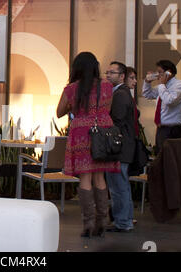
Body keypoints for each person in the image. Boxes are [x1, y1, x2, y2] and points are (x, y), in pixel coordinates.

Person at [56, 52, 120, 238]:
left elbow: (59, 112)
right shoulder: (107, 86)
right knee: (100, 178)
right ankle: (102, 222)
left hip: (82, 133)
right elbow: (106, 109)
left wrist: (73, 106)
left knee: (85, 179)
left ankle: (88, 224)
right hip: (103, 133)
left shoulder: (72, 89)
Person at [105, 61, 136, 232]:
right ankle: (125, 220)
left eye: (112, 72)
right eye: (107, 72)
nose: (108, 75)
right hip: (123, 147)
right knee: (121, 185)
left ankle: (123, 222)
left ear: (121, 76)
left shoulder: (120, 94)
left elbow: (115, 121)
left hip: (119, 148)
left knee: (118, 186)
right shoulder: (122, 93)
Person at [142, 60, 181, 154]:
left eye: (160, 72)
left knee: (171, 159)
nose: (158, 75)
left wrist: (161, 84)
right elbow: (147, 94)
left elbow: (169, 101)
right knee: (160, 158)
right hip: (162, 128)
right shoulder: (163, 86)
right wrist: (147, 82)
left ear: (169, 73)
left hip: (174, 129)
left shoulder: (180, 86)